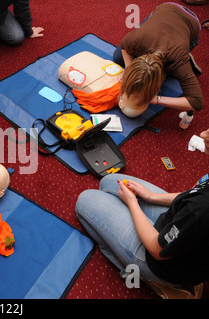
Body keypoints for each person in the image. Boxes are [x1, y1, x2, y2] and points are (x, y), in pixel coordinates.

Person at [75, 128, 209, 299]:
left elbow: (157, 250)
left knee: (85, 200)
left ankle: (153, 279)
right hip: (186, 229)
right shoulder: (199, 206)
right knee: (108, 182)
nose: (203, 133)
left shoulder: (201, 209)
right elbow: (193, 195)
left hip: (162, 261)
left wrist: (132, 203)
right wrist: (151, 196)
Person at [113, 3, 204, 115]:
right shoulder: (135, 39)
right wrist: (128, 72)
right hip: (165, 9)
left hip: (191, 23)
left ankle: (188, 56)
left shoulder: (178, 61)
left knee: (170, 69)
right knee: (118, 58)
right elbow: (124, 48)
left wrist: (156, 99)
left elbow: (197, 102)